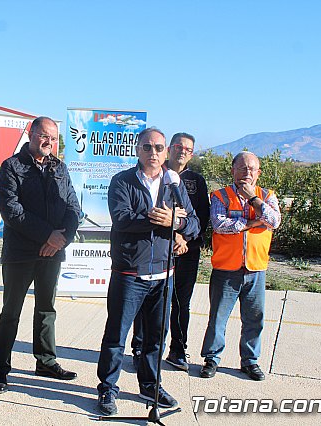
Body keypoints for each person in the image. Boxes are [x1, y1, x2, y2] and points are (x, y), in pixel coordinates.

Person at [96, 127, 200, 416]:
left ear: (166, 152)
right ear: (137, 150)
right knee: (116, 335)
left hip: (164, 274)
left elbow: (193, 224)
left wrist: (177, 223)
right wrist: (164, 220)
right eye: (147, 147)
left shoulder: (173, 183)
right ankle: (107, 388)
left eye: (158, 148)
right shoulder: (123, 181)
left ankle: (150, 386)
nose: (153, 153)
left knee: (156, 338)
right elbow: (122, 219)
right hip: (130, 273)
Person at [0, 116, 81, 394]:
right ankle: (1, 370)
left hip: (52, 252)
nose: (48, 142)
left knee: (46, 310)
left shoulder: (60, 168)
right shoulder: (11, 167)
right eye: (44, 136)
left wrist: (60, 240)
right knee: (11, 312)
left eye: (53, 138)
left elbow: (73, 207)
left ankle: (46, 361)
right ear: (31, 135)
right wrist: (46, 235)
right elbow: (12, 211)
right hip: (20, 253)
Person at [130, 133, 209, 372]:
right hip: (158, 250)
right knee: (147, 303)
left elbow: (200, 217)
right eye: (178, 147)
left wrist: (183, 237)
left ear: (192, 154)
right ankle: (139, 348)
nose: (182, 151)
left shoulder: (196, 180)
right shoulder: (155, 175)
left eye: (188, 149)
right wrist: (173, 231)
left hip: (186, 251)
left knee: (181, 303)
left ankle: (178, 349)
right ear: (169, 150)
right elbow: (150, 212)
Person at [199, 151, 281, 381]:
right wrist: (253, 222)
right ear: (233, 170)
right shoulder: (221, 196)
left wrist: (254, 199)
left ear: (258, 172)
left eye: (251, 168)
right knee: (218, 318)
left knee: (254, 319)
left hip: (256, 269)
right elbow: (219, 224)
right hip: (226, 269)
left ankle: (250, 361)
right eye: (242, 168)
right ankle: (211, 359)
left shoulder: (267, 196)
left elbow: (274, 221)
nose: (247, 172)